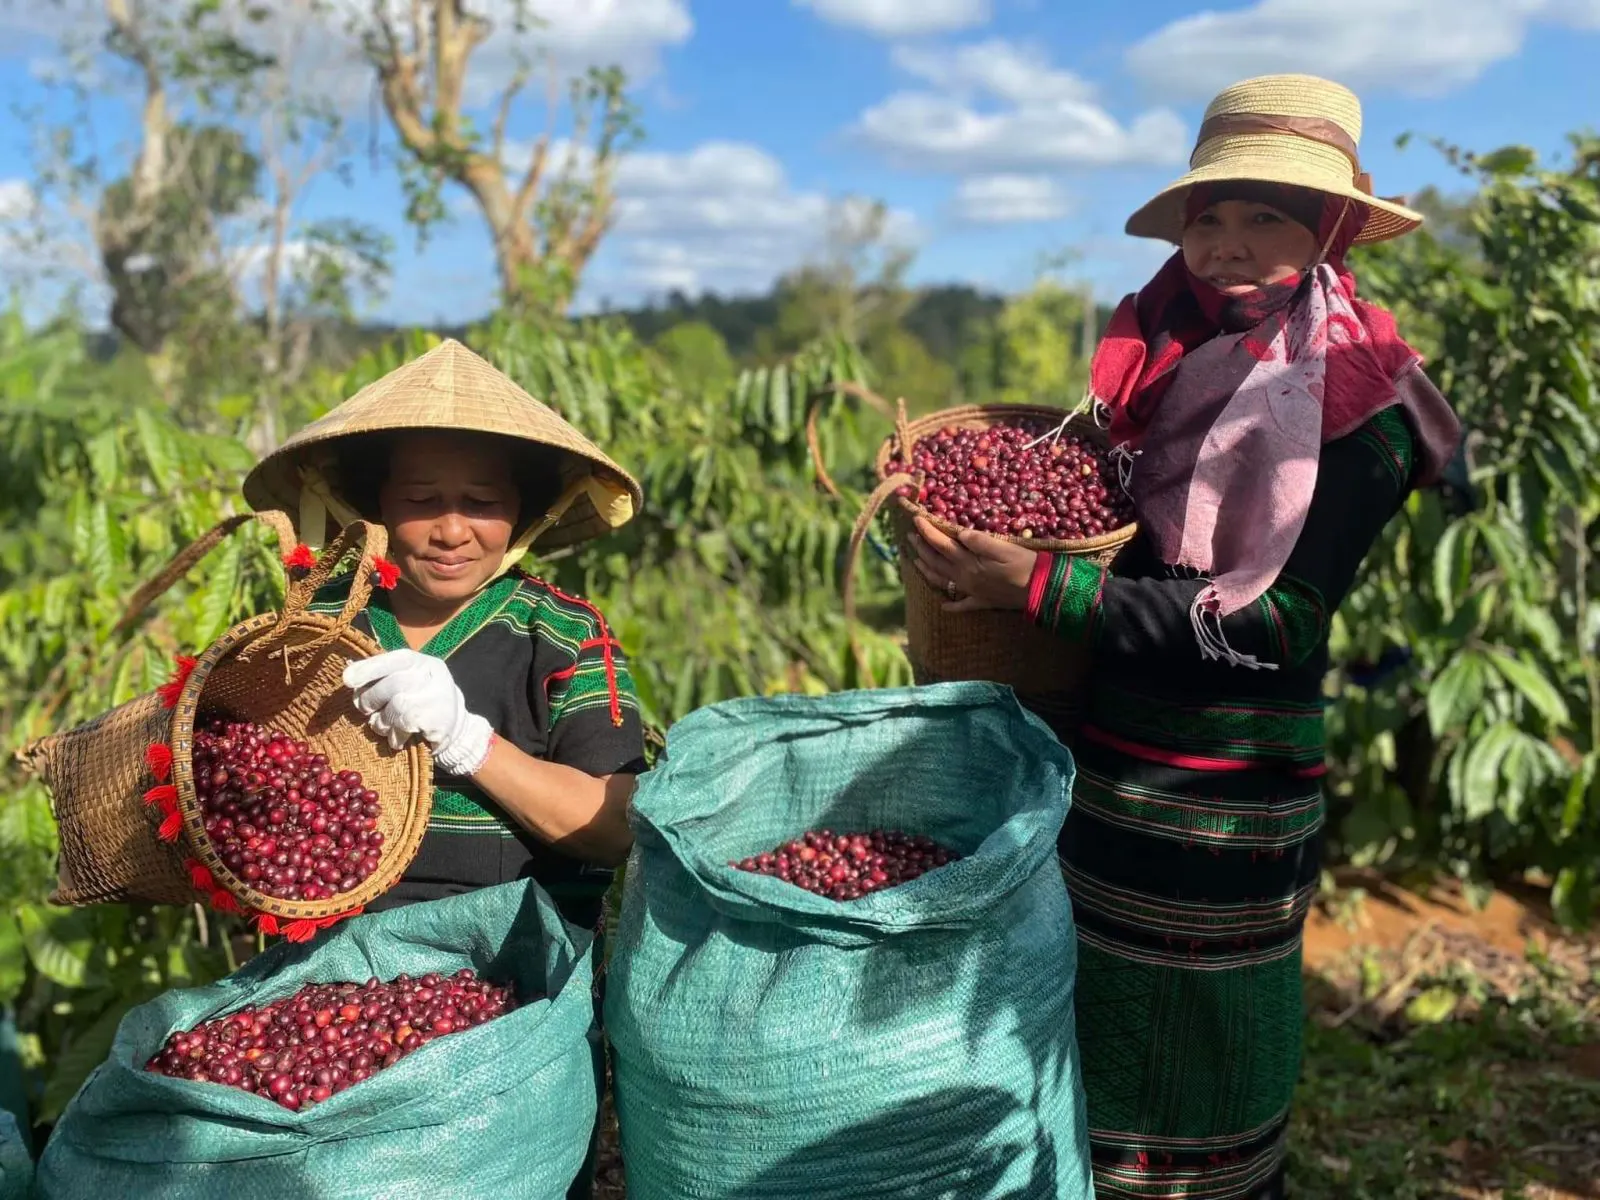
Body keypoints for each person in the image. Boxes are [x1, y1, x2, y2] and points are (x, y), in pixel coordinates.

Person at [908, 75, 1462, 1200]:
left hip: (1226, 809)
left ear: (1330, 230)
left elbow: (1276, 626)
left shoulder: (1365, 408)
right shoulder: (1165, 365)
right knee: (1088, 1053)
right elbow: (1113, 530)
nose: (1226, 244)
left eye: (1267, 215)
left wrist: (1041, 591)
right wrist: (998, 549)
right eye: (1209, 215)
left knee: (1205, 1084)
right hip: (1108, 768)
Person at [242, 337, 648, 931]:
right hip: (331, 952)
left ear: (521, 511)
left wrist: (468, 742)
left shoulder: (559, 633)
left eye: (482, 502)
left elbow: (617, 828)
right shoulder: (321, 621)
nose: (452, 530)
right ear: (375, 505)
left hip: (519, 960)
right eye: (420, 500)